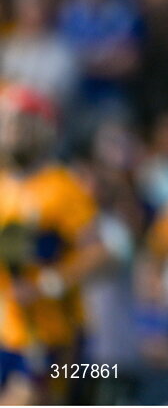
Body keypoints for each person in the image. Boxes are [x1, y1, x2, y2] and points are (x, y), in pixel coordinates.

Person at [0, 84, 109, 403]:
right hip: (7, 329)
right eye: (4, 120)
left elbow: (99, 253)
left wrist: (48, 284)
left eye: (18, 121)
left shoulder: (63, 187)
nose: (9, 130)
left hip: (53, 333)